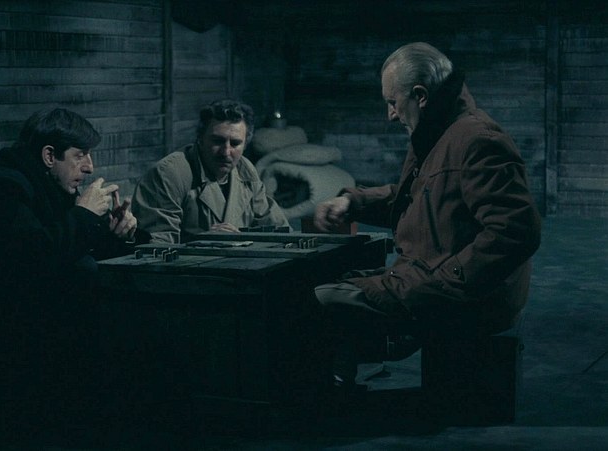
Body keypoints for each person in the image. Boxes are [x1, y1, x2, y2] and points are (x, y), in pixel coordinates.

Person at [311, 42, 542, 390]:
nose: (390, 115)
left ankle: (328, 398)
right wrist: (353, 202)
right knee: (331, 284)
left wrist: (443, 283)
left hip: (464, 298)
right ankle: (341, 386)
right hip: (430, 277)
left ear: (420, 96)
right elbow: (416, 196)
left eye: (393, 102)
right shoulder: (439, 134)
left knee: (320, 299)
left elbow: (516, 230)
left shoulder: (476, 139)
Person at [0, 107, 143, 436]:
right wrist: (84, 217)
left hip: (3, 308)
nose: (90, 167)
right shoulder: (0, 186)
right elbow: (34, 258)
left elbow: (62, 244)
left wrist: (118, 234)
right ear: (49, 156)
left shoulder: (44, 185)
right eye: (80, 156)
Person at [132, 99, 290, 243]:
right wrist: (204, 241)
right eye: (217, 141)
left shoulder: (245, 170)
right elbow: (155, 245)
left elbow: (279, 229)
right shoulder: (169, 174)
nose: (226, 152)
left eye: (235, 143)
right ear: (200, 139)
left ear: (245, 145)